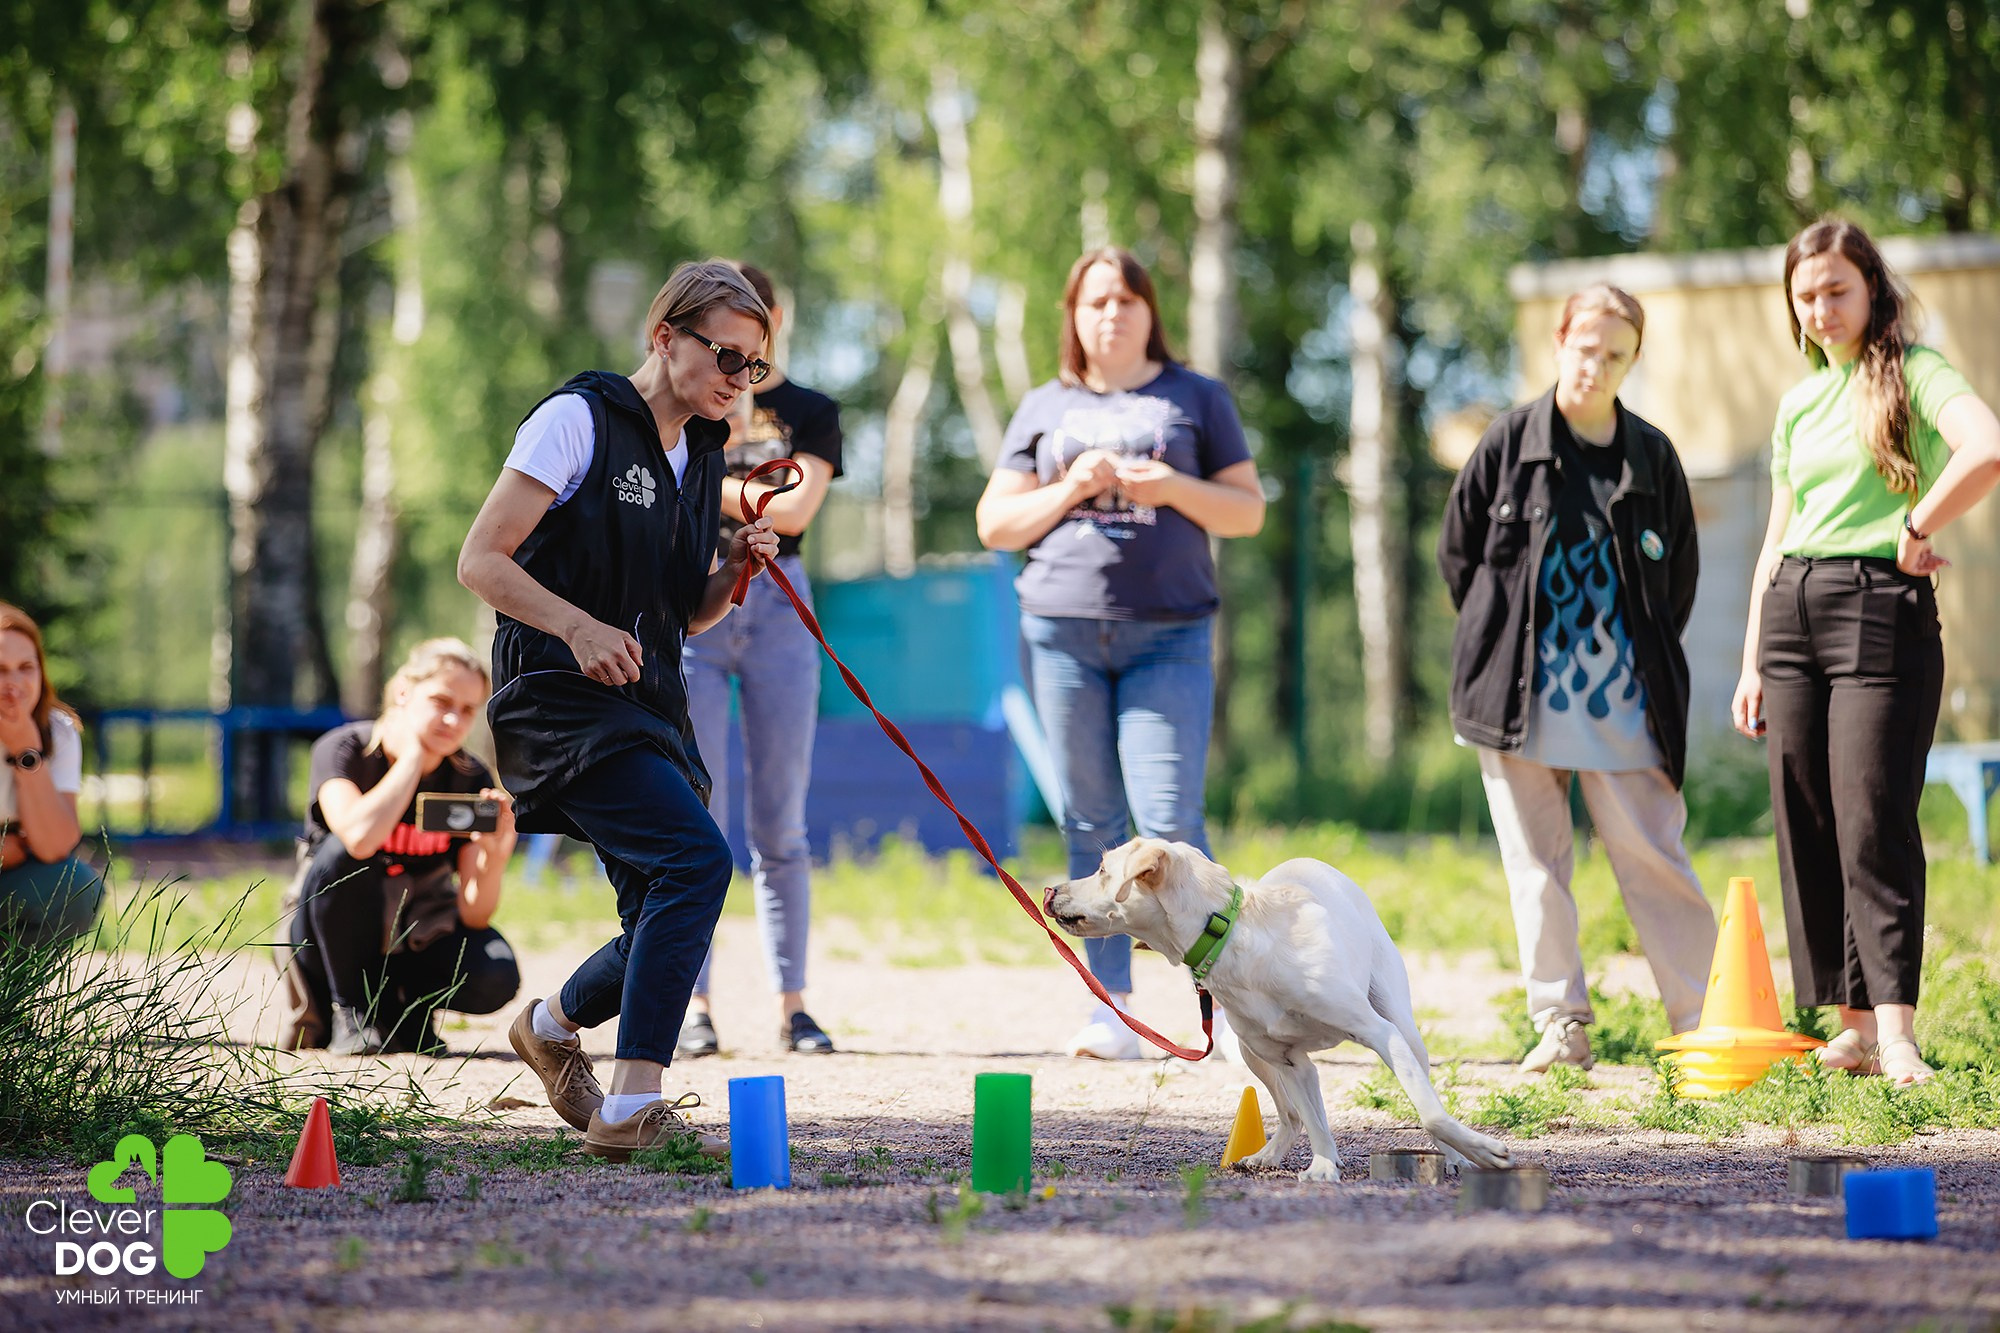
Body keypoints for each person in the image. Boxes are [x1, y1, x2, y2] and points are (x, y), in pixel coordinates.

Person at [459, 259, 781, 1161]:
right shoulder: (578, 420)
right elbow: (480, 561)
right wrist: (577, 626)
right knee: (694, 860)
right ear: (663, 336)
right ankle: (632, 1105)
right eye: (724, 354)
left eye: (751, 366)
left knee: (660, 904)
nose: (736, 378)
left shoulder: (702, 454)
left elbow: (685, 611)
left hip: (647, 699)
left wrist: (735, 569)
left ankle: (551, 1026)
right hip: (558, 696)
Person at [975, 246, 1264, 1059]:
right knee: (1090, 821)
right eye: (1096, 300)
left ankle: (1228, 1005)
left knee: (1170, 826)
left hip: (1169, 634)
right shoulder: (1043, 404)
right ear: (1073, 314)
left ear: (1150, 313)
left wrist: (1164, 486)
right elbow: (995, 524)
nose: (1112, 313)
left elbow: (1246, 511)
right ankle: (1111, 1009)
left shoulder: (1195, 397)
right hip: (1061, 633)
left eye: (1127, 299)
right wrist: (1073, 486)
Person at [1732, 218, 2000, 1086]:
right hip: (1791, 612)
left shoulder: (1916, 373)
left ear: (1872, 287)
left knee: (1873, 817)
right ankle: (1843, 1024)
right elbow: (1775, 537)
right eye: (1805, 296)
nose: (1821, 309)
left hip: (1878, 610)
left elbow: (1987, 447)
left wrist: (1918, 524)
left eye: (1836, 290)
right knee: (1808, 818)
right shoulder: (1799, 401)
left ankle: (1895, 1032)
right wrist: (1749, 661)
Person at [1438, 284, 1717, 1074]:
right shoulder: (1507, 442)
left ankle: (1702, 1024)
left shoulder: (1652, 456)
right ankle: (1561, 1025)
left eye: (1614, 353)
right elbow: (1459, 555)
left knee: (1658, 857)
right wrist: (1505, 646)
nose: (1594, 364)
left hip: (1626, 704)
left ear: (1632, 361)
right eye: (1584, 346)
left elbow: (1679, 581)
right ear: (1560, 341)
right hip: (1516, 700)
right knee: (1537, 867)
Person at [678, 262, 843, 1059]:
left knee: (782, 821)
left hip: (781, 597)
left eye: (755, 324)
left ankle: (794, 1005)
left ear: (776, 319)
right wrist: (741, 480)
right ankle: (694, 1003)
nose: (739, 350)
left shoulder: (810, 409)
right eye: (724, 328)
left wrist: (709, 476)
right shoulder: (691, 404)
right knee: (695, 815)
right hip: (696, 601)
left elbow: (800, 507)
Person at [277, 638, 521, 1056]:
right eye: (441, 700)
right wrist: (411, 760)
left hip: (411, 937)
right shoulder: (345, 750)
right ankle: (350, 1013)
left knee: (495, 972)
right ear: (405, 692)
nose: (453, 719)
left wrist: (495, 857)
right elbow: (358, 838)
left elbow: (473, 915)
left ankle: (405, 1014)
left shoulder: (467, 774)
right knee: (345, 857)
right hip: (324, 941)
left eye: (467, 710)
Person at [0, 603, 102, 947]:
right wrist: (10, 846)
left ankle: (11, 995)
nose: (13, 684)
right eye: (0, 670)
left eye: (25, 668)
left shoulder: (58, 731)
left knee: (76, 888)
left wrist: (25, 752)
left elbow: (56, 845)